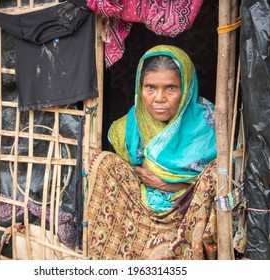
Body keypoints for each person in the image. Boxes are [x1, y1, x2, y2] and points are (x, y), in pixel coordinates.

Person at [85, 45, 217, 260]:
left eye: (171, 88)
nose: (159, 98)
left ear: (187, 89)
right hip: (139, 211)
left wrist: (167, 184)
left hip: (190, 214)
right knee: (104, 162)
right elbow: (124, 181)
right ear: (140, 88)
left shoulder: (210, 124)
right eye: (150, 88)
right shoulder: (129, 125)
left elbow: (223, 182)